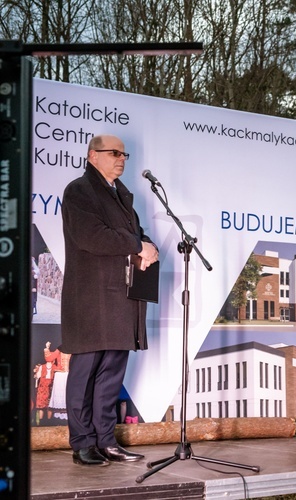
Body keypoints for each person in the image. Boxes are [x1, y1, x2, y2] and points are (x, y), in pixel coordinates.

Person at [61, 135, 159, 466]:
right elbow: (92, 236)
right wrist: (136, 244)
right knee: (85, 371)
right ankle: (82, 442)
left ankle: (106, 440)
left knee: (112, 373)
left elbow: (136, 232)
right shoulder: (79, 191)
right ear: (92, 156)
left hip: (120, 297)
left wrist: (148, 245)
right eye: (113, 153)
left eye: (124, 154)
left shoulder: (121, 195)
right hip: (90, 298)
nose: (121, 159)